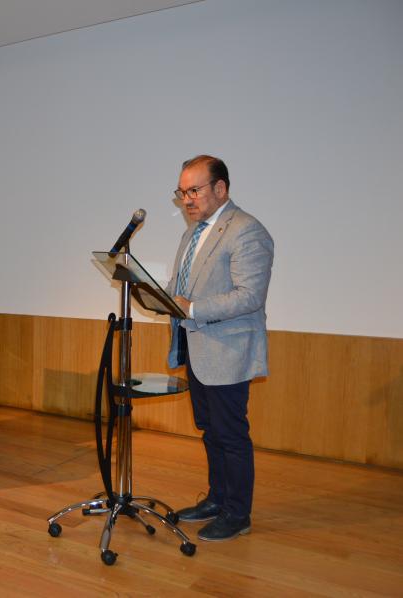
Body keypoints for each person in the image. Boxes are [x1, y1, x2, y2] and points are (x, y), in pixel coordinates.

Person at [167, 155, 274, 542]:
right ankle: (216, 499)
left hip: (227, 350)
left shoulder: (246, 231)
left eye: (194, 190)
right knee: (210, 431)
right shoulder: (193, 233)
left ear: (221, 188)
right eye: (182, 193)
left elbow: (249, 296)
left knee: (231, 434)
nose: (187, 200)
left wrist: (191, 309)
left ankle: (237, 512)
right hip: (197, 348)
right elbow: (186, 287)